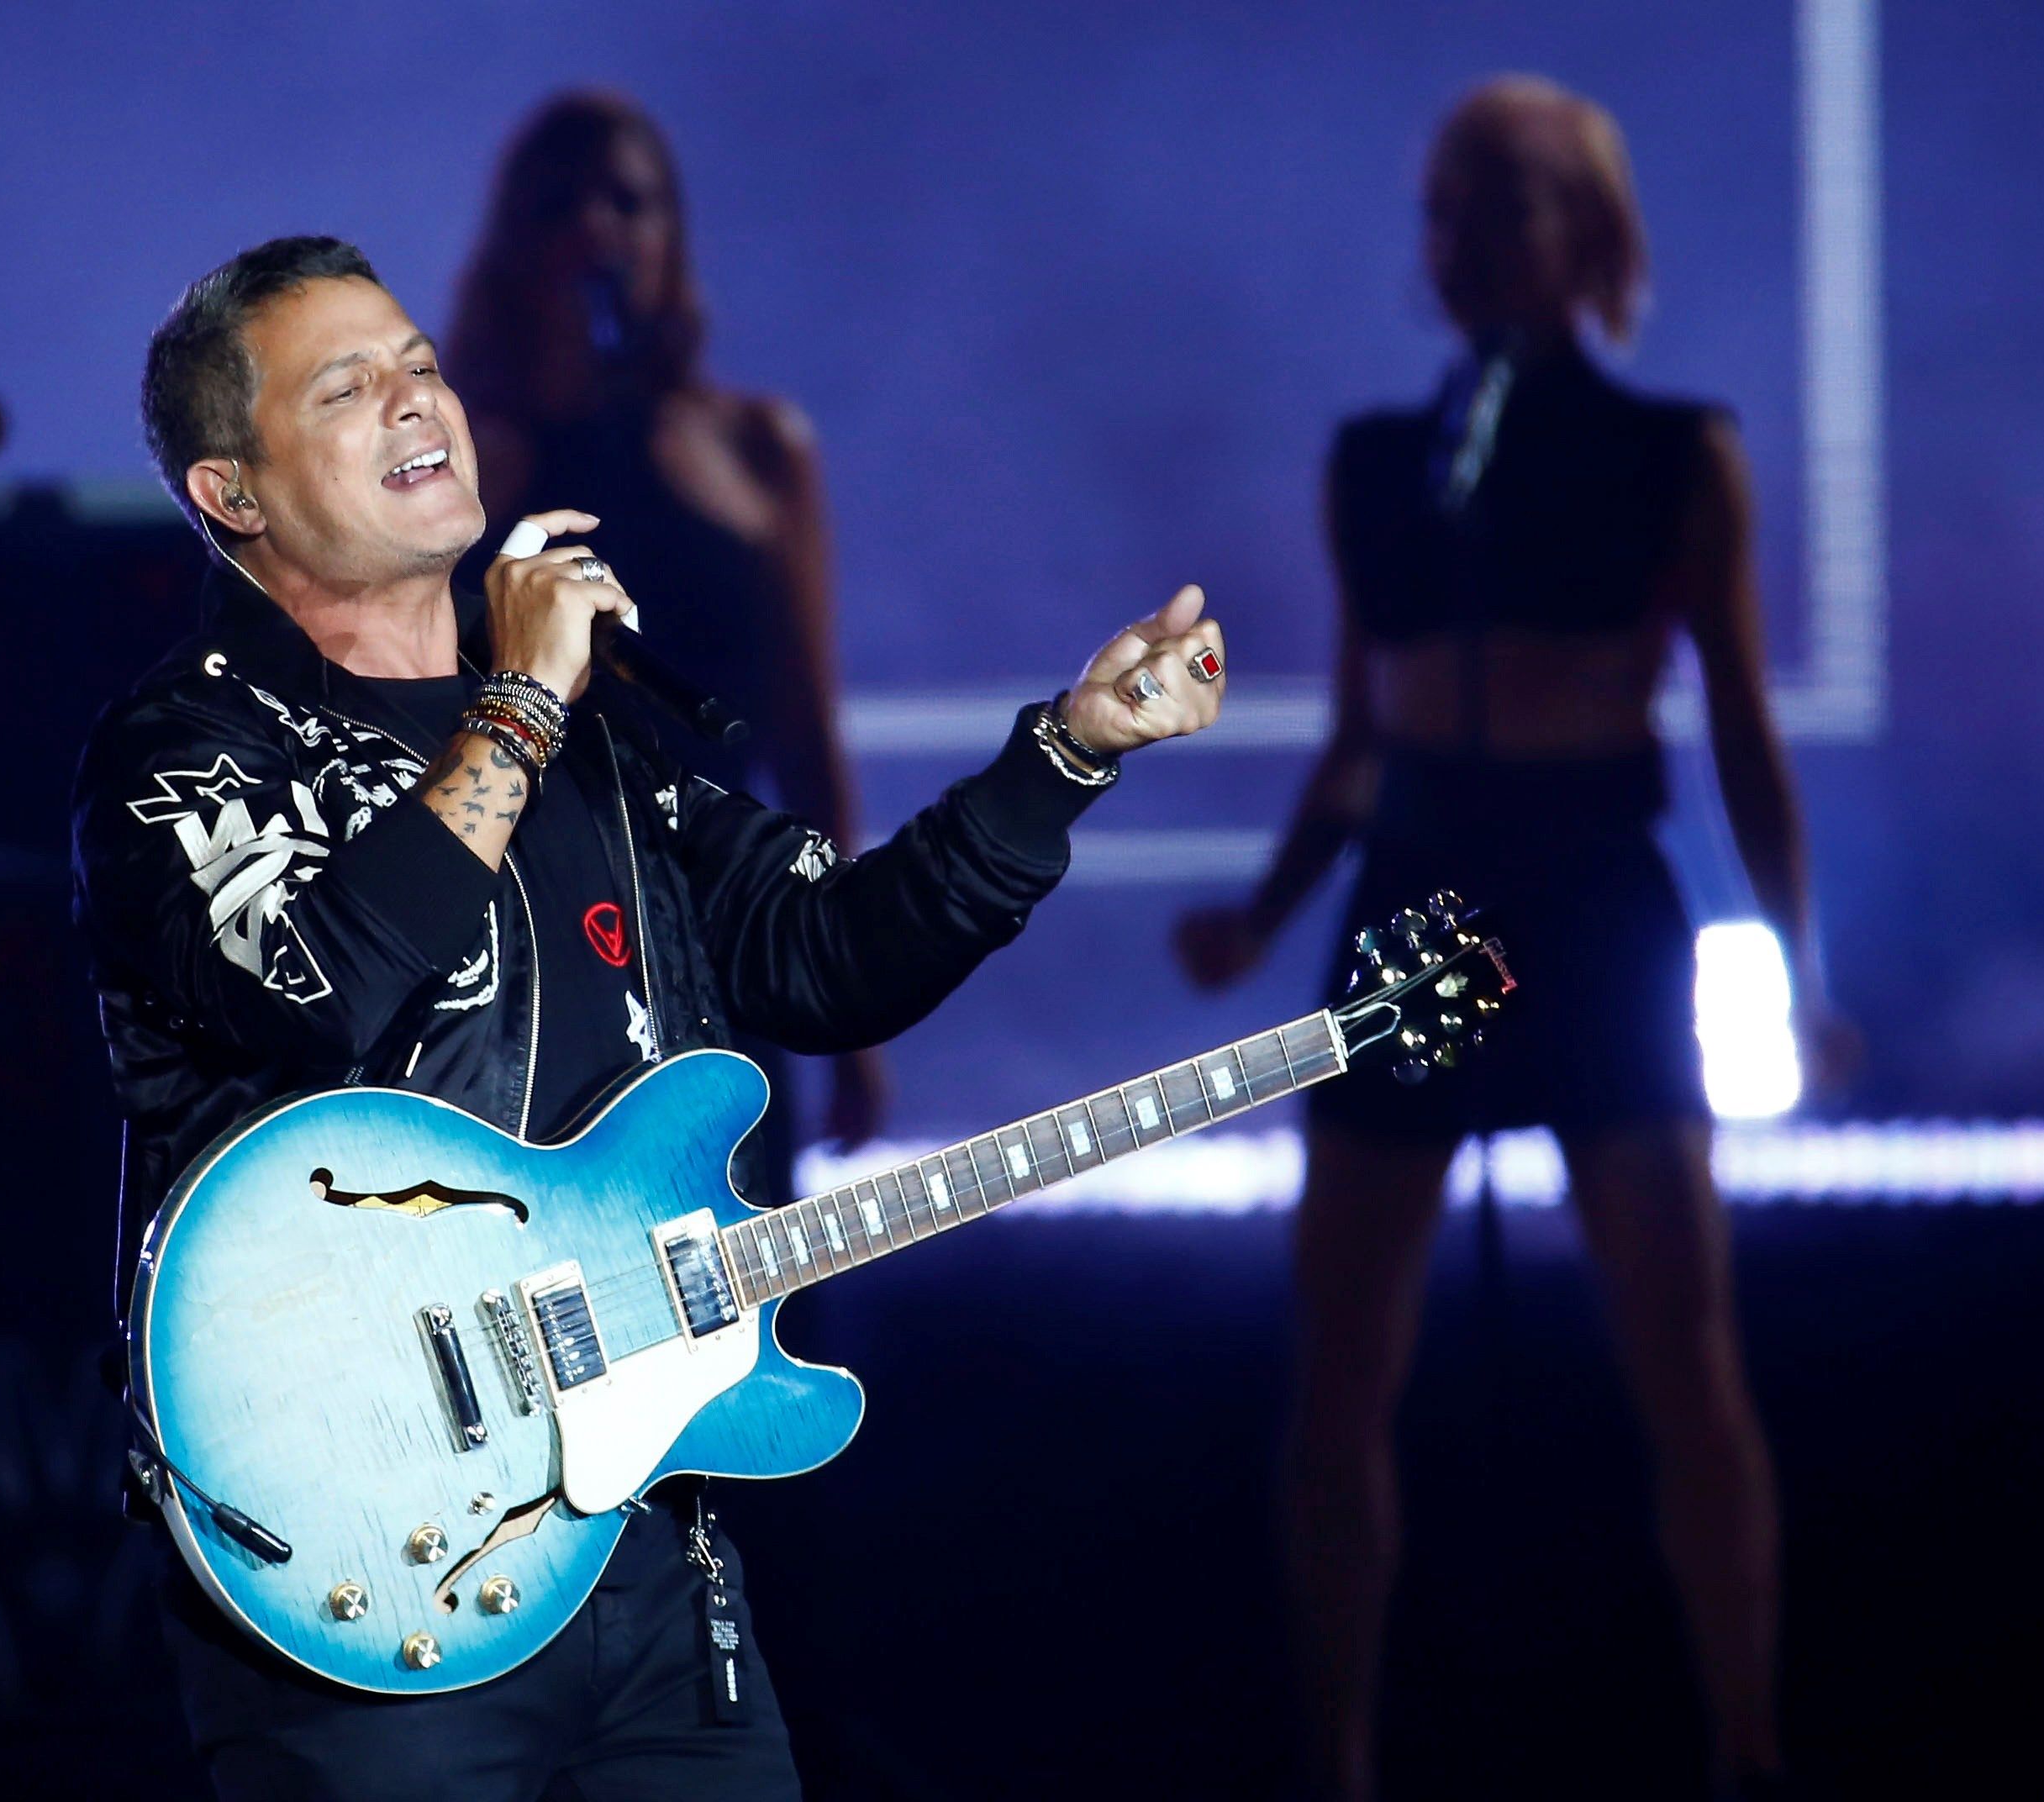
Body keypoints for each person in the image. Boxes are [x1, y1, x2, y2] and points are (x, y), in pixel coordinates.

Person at [73, 234, 1225, 1801]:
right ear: (234, 494)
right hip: (363, 1563)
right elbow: (315, 996)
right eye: (349, 388)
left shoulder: (604, 746)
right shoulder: (185, 746)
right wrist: (524, 701)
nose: (420, 403)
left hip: (650, 1559)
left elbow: (827, 959)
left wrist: (1069, 757)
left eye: (421, 363)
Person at [1173, 77, 1848, 1799]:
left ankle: (1745, 1739)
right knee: (1338, 1366)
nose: (1476, 234)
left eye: (1519, 200)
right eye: (1453, 205)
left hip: (1595, 899)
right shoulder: (1379, 465)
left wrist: (1802, 962)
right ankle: (1334, 1755)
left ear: (1591, 234)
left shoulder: (1671, 453)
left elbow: (1744, 728)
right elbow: (1358, 726)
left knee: (1680, 1350)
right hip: (1410, 896)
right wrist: (1259, 917)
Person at [447, 90, 880, 1181]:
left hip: (718, 933)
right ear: (513, 244)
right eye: (560, 206)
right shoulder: (461, 458)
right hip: (533, 946)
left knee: (742, 1275)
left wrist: (855, 1007)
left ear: (669, 235)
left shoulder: (756, 446)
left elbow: (808, 741)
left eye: (627, 202)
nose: (596, 229)